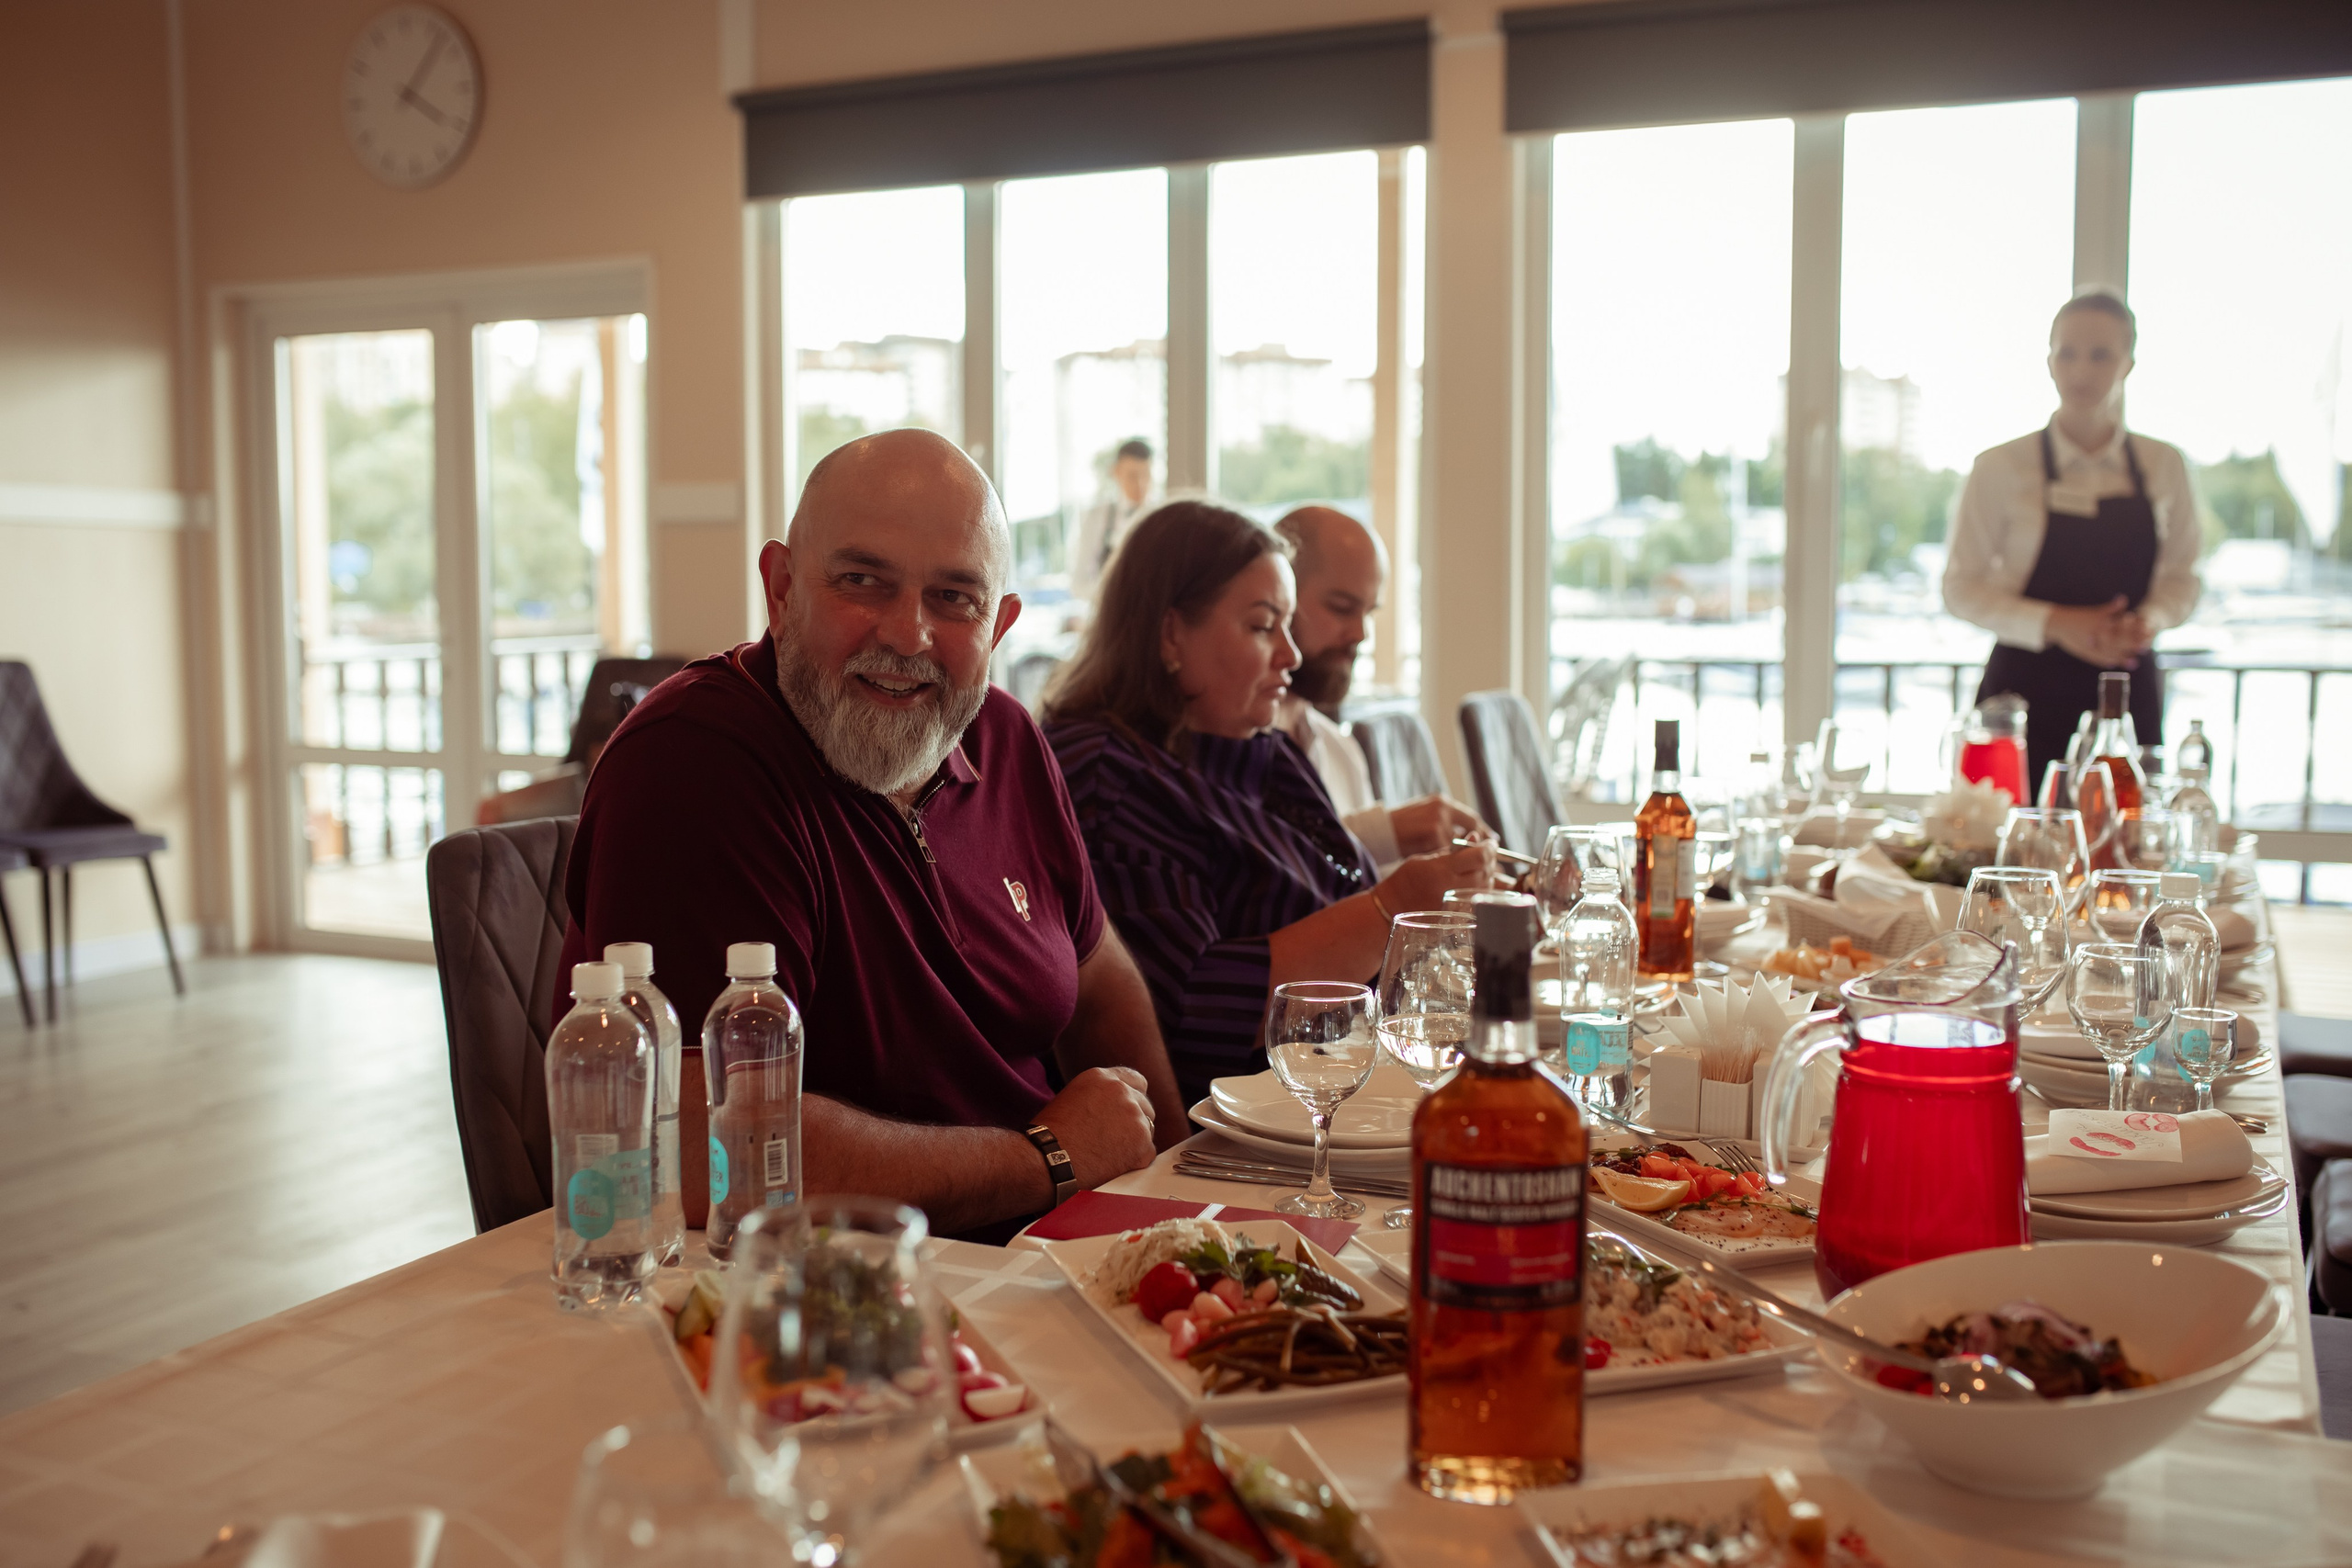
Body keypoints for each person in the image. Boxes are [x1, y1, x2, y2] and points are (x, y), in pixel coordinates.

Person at [559, 429, 1185, 1241]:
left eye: (954, 597)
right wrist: (1048, 1157)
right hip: (820, 1297)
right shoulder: (697, 758)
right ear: (781, 589)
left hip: (1042, 1259)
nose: (907, 634)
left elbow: (1098, 975)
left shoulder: (1006, 737)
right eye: (862, 581)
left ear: (1000, 625)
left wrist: (1178, 1189)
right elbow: (697, 1147)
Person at [1042, 502, 1499, 1104]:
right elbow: (1187, 1005)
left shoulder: (1258, 749)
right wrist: (1395, 906)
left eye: (1288, 625)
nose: (1292, 654)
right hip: (1228, 1128)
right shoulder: (1108, 774)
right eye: (1263, 626)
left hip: (1328, 1093)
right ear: (1171, 633)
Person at [1943, 289, 2201, 784]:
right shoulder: (1999, 467)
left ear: (2127, 364)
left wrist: (2144, 622)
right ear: (2049, 361)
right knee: (2003, 844)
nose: (2081, 370)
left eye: (2100, 354)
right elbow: (1960, 588)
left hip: (2122, 689)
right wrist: (2060, 623)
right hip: (2019, 695)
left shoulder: (2164, 465)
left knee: (2122, 844)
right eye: (2068, 353)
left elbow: (2183, 578)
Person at [1271, 504, 1490, 872]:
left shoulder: (1340, 752)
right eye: (1341, 608)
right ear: (1281, 597)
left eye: (1369, 612)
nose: (1360, 633)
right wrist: (1382, 832)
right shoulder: (1235, 753)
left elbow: (1363, 897)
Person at [1069, 437, 1158, 602]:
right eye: (1132, 476)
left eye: (1145, 475)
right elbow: (1078, 583)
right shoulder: (1096, 517)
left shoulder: (1162, 518)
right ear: (1116, 471)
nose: (1140, 484)